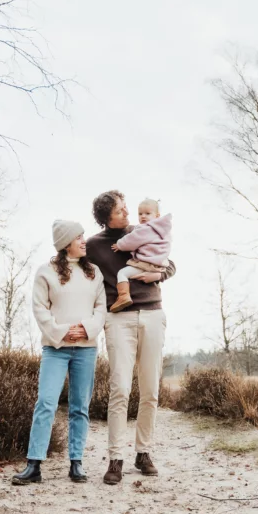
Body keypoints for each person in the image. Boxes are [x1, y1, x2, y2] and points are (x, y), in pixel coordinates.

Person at [86, 190, 176, 485]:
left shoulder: (143, 231)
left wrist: (158, 276)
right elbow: (75, 269)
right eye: (120, 210)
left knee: (150, 391)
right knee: (120, 389)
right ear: (106, 217)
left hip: (152, 314)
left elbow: (170, 263)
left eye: (126, 208)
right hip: (118, 319)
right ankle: (115, 458)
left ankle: (143, 452)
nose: (127, 213)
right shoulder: (94, 246)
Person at [12, 220, 105, 485]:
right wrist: (62, 332)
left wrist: (86, 329)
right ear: (66, 243)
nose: (84, 241)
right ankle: (34, 465)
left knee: (80, 407)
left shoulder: (94, 273)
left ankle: (76, 464)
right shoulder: (46, 272)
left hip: (86, 350)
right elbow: (39, 309)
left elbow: (101, 308)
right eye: (79, 237)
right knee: (46, 403)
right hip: (55, 349)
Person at [109, 198, 172, 313]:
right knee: (133, 276)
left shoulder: (145, 229)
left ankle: (123, 296)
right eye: (140, 213)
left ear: (157, 216)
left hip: (145, 263)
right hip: (159, 263)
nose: (143, 216)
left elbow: (131, 241)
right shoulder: (163, 231)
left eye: (147, 213)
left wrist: (119, 245)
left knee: (122, 273)